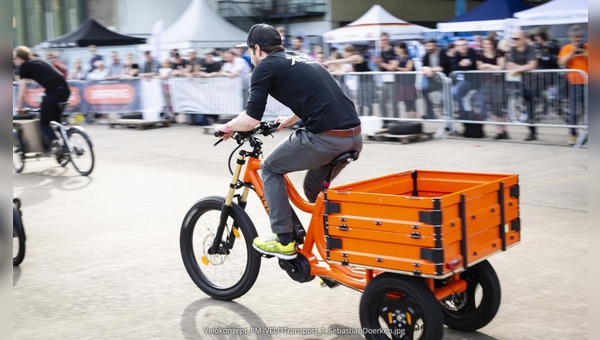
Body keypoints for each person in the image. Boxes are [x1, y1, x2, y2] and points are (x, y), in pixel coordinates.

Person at [214, 23, 362, 259]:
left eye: (249, 50)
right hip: (353, 136)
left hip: (326, 138)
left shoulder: (264, 68)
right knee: (314, 193)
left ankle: (284, 239)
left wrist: (227, 127)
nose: (249, 55)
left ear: (258, 49)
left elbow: (251, 119)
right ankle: (337, 251)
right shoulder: (301, 57)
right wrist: (290, 120)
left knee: (270, 168)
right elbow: (320, 97)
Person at [14, 46, 71, 153]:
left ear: (18, 58)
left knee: (44, 123)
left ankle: (56, 143)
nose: (14, 60)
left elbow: (22, 91)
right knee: (56, 121)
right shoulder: (38, 60)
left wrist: (20, 107)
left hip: (53, 92)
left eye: (15, 58)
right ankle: (67, 145)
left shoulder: (24, 66)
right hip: (65, 90)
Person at [325, 44, 376, 116]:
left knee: (368, 98)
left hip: (368, 79)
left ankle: (369, 116)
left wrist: (330, 62)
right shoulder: (352, 60)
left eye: (345, 52)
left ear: (350, 52)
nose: (343, 53)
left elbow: (344, 60)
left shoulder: (356, 57)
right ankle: (361, 116)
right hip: (361, 79)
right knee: (361, 98)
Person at [558, 25, 588, 145]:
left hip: (589, 82)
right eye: (575, 37)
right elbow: (561, 62)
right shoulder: (566, 48)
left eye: (579, 37)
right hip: (574, 83)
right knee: (575, 110)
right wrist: (572, 52)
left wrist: (584, 53)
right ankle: (573, 134)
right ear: (570, 37)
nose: (577, 39)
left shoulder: (587, 47)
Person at [506, 30, 538, 141]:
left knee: (530, 105)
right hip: (520, 82)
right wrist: (525, 67)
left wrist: (518, 68)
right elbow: (510, 66)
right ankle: (531, 127)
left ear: (524, 39)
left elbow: (533, 65)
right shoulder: (513, 50)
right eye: (513, 39)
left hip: (534, 81)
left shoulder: (530, 48)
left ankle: (532, 131)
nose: (515, 41)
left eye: (517, 39)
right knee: (526, 105)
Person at [476, 36, 507, 139]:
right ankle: (498, 131)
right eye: (485, 44)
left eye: (489, 43)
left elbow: (501, 67)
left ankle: (504, 130)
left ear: (493, 44)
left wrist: (487, 66)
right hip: (487, 82)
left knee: (499, 107)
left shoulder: (499, 52)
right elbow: (480, 67)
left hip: (499, 83)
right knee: (492, 107)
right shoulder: (480, 54)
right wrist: (493, 67)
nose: (487, 46)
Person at [420, 39, 452, 119]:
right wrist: (427, 70)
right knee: (424, 90)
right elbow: (423, 66)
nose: (429, 48)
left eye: (431, 46)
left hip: (445, 80)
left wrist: (430, 70)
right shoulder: (427, 55)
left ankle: (448, 114)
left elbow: (442, 67)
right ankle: (430, 113)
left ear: (435, 46)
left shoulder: (442, 53)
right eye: (427, 46)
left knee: (445, 97)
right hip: (433, 80)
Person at [451, 38, 478, 120]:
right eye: (459, 45)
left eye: (463, 45)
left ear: (467, 45)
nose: (462, 47)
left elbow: (470, 64)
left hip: (477, 80)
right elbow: (453, 67)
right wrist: (460, 64)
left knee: (456, 90)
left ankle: (468, 113)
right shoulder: (457, 55)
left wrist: (461, 65)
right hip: (466, 81)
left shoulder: (472, 52)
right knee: (454, 91)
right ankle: (462, 112)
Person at [376, 32, 398, 118]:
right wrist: (380, 64)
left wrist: (381, 63)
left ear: (388, 40)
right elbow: (379, 65)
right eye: (382, 40)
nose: (383, 42)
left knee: (393, 102)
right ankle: (385, 119)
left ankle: (395, 119)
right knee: (382, 101)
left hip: (392, 79)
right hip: (383, 79)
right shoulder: (379, 51)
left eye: (385, 39)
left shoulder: (393, 51)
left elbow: (392, 67)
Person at [393, 42, 417, 118]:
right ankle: (408, 118)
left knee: (411, 102)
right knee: (406, 102)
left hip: (409, 83)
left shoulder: (409, 58)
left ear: (403, 49)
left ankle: (414, 119)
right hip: (402, 82)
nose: (397, 50)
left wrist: (397, 68)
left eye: (398, 48)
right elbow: (394, 67)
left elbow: (408, 69)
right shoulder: (398, 58)